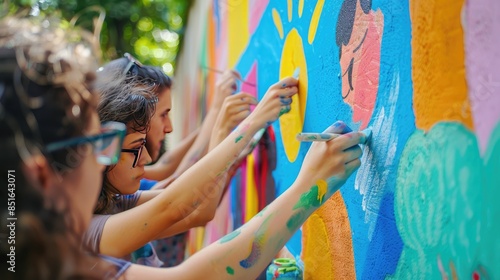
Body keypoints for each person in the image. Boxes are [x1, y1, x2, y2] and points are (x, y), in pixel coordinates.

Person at [0, 15, 367, 280]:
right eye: (98, 144)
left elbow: (184, 200)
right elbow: (175, 209)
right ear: (42, 177)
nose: (105, 158)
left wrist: (233, 128)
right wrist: (309, 186)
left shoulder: (60, 246)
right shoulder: (81, 243)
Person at [92, 56, 258, 266]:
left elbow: (185, 189)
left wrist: (218, 126)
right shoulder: (93, 224)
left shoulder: (117, 198)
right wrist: (220, 123)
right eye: (163, 114)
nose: (169, 127)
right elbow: (181, 189)